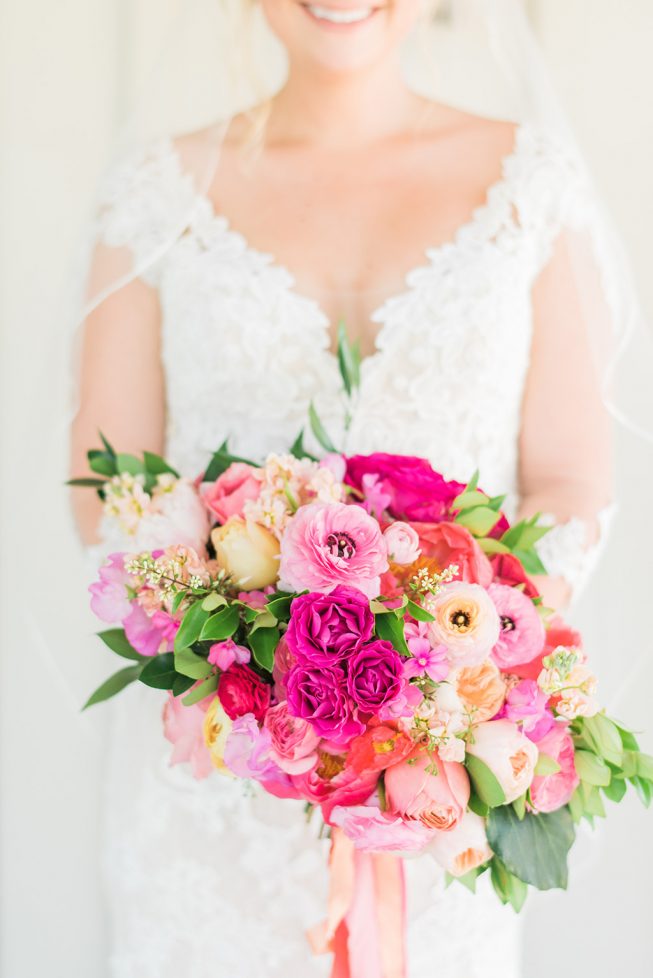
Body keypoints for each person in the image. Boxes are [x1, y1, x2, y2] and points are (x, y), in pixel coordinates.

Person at [69, 0, 617, 974]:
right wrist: (253, 653)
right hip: (214, 798)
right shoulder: (158, 188)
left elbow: (568, 482)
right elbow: (101, 480)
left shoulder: (527, 180)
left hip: (431, 807)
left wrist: (437, 677)